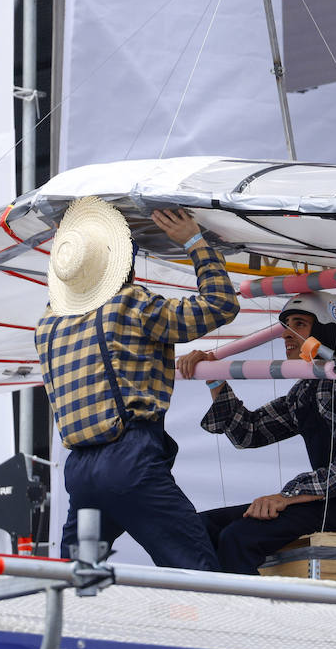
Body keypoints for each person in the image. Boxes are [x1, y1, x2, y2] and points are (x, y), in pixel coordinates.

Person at [35, 197, 239, 570]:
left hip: (80, 471)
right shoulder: (132, 305)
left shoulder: (48, 326)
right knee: (195, 569)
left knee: (76, 578)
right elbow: (220, 305)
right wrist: (194, 241)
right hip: (129, 460)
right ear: (121, 263)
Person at [176, 292, 336, 575]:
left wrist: (287, 497)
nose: (286, 334)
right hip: (325, 499)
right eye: (285, 325)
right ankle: (204, 609)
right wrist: (214, 377)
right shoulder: (309, 387)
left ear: (327, 329)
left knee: (239, 538)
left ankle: (242, 616)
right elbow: (249, 432)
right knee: (198, 529)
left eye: (299, 324)